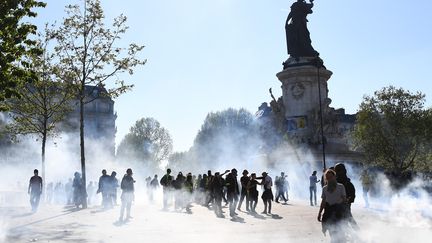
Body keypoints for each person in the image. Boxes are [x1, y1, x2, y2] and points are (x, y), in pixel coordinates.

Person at [317, 169, 347, 243]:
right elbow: (323, 201)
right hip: (329, 212)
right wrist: (320, 213)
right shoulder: (324, 188)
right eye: (328, 178)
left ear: (334, 177)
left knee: (340, 231)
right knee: (332, 232)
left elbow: (344, 199)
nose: (329, 179)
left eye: (331, 177)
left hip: (338, 212)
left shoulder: (341, 186)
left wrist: (337, 204)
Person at [334, 163, 357, 228]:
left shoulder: (345, 182)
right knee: (343, 219)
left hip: (344, 203)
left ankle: (357, 232)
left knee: (347, 217)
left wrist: (348, 201)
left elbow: (352, 195)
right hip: (338, 204)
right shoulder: (336, 181)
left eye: (337, 170)